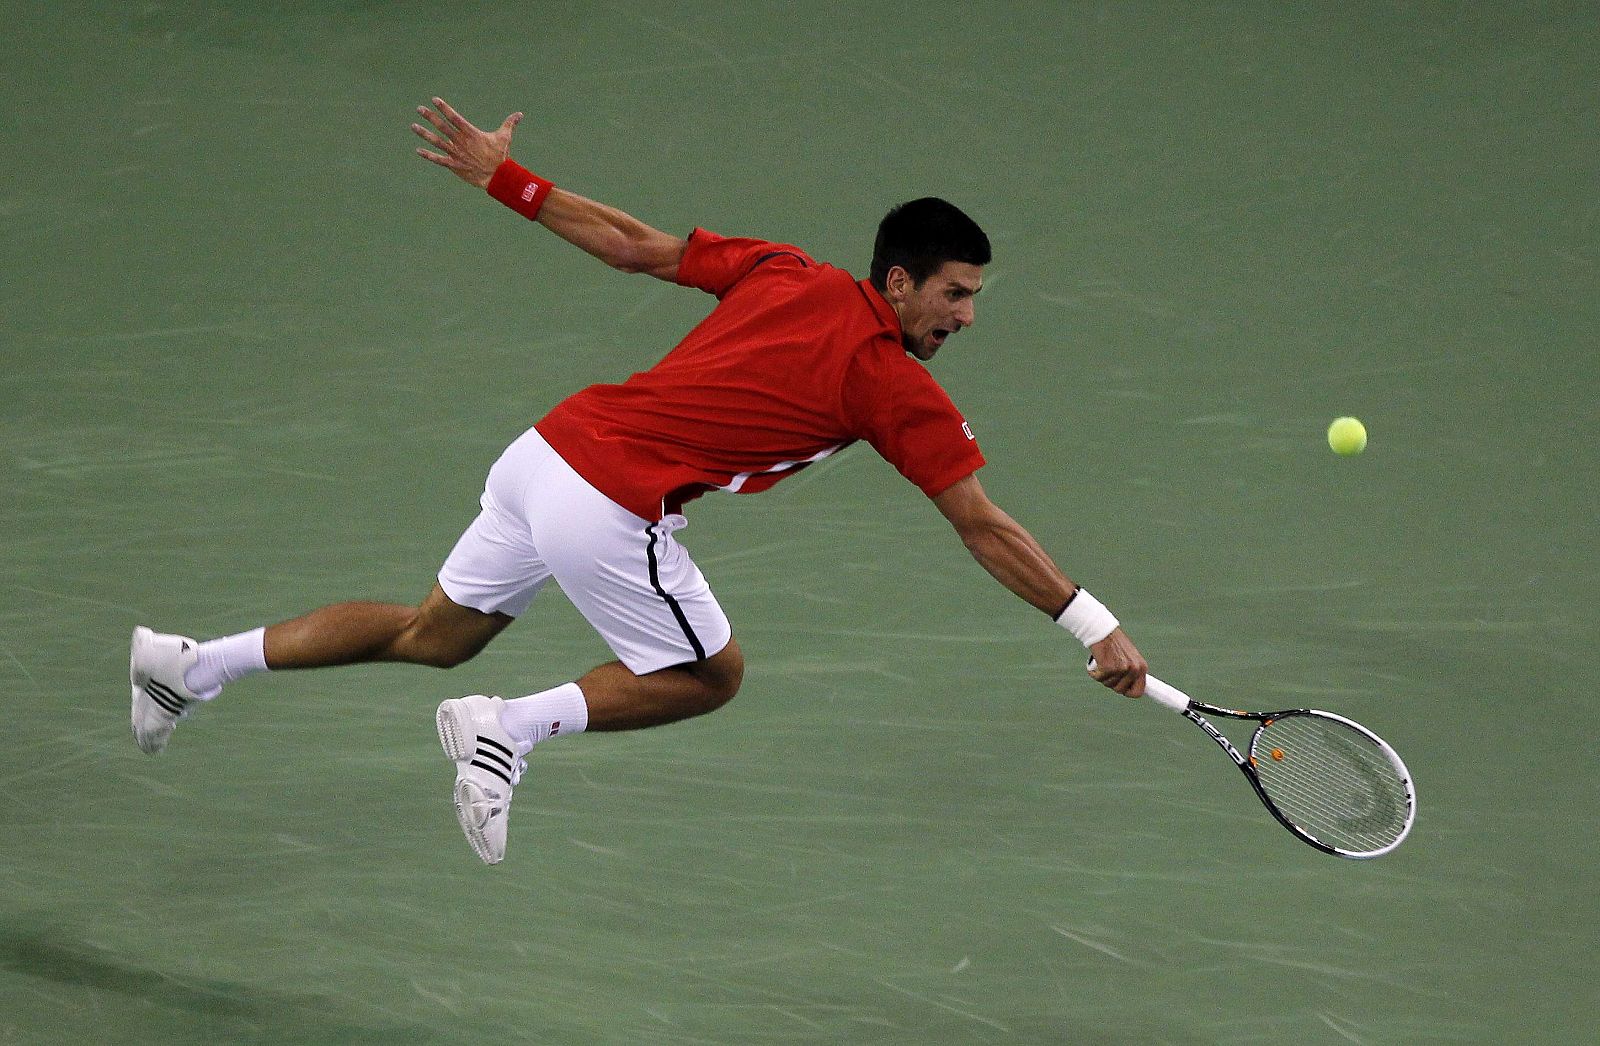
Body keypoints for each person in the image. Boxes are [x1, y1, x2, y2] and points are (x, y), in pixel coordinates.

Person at [130, 97, 1149, 865]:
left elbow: (631, 244)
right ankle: (507, 727)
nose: (964, 318)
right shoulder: (889, 380)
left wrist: (508, 177)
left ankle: (189, 664)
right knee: (709, 673)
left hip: (543, 451)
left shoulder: (787, 270)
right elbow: (979, 523)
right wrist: (1091, 622)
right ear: (897, 282)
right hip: (611, 498)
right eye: (954, 295)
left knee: (428, 632)